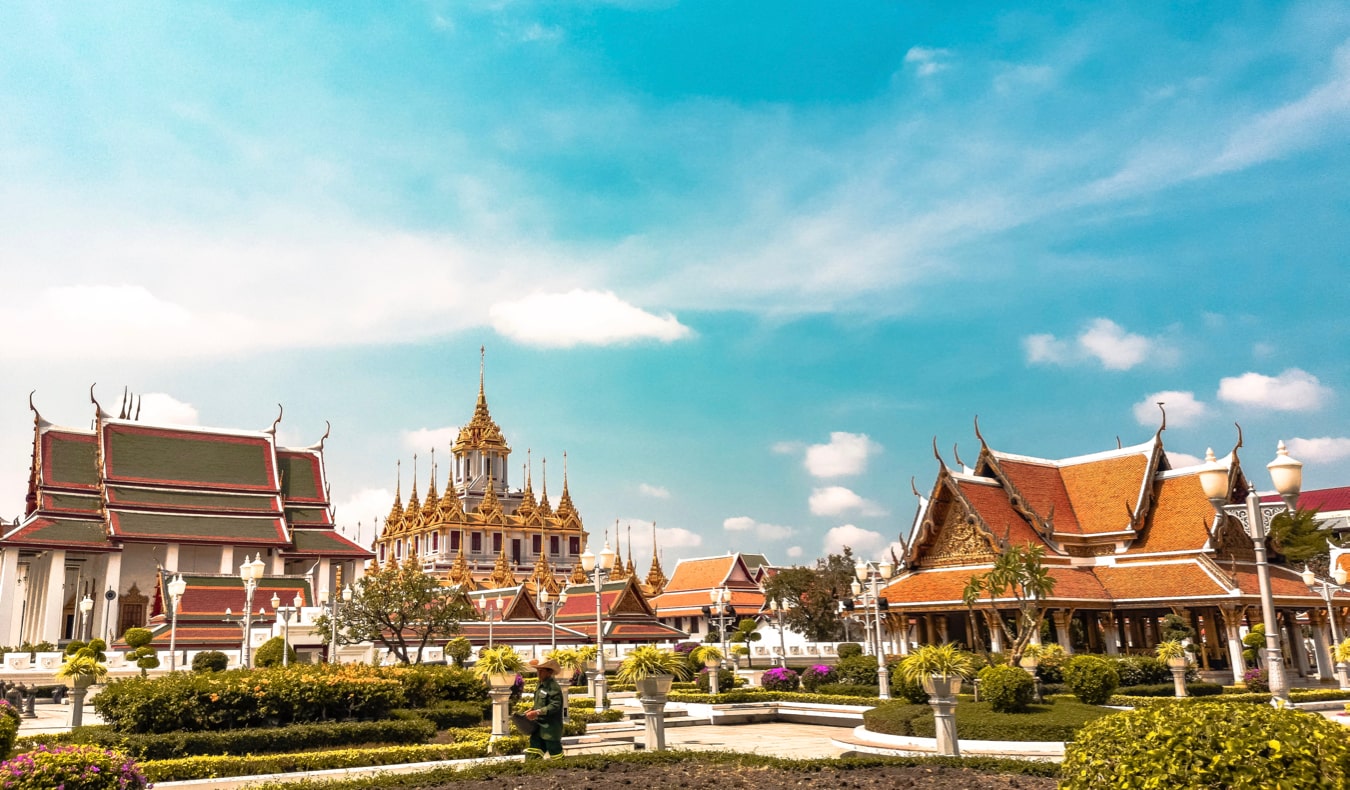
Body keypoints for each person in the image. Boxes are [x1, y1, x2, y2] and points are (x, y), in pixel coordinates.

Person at [524, 658, 565, 758]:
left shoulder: (553, 686)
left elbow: (555, 705)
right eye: (538, 670)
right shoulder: (540, 685)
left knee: (556, 754)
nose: (539, 673)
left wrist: (537, 712)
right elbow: (540, 703)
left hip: (550, 729)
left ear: (549, 672)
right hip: (539, 727)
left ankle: (562, 770)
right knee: (533, 751)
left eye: (541, 671)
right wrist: (532, 709)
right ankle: (531, 770)